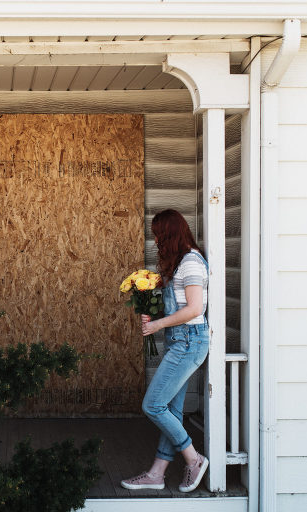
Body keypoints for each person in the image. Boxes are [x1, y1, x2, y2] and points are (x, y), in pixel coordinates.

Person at [121, 209, 210, 493]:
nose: (156, 241)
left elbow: (195, 309)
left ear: (170, 234)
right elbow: (180, 305)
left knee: (153, 405)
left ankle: (193, 459)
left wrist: (158, 324)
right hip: (179, 341)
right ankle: (157, 474)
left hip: (189, 342)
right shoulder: (180, 263)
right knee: (170, 408)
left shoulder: (192, 263)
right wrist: (151, 310)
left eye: (159, 235)